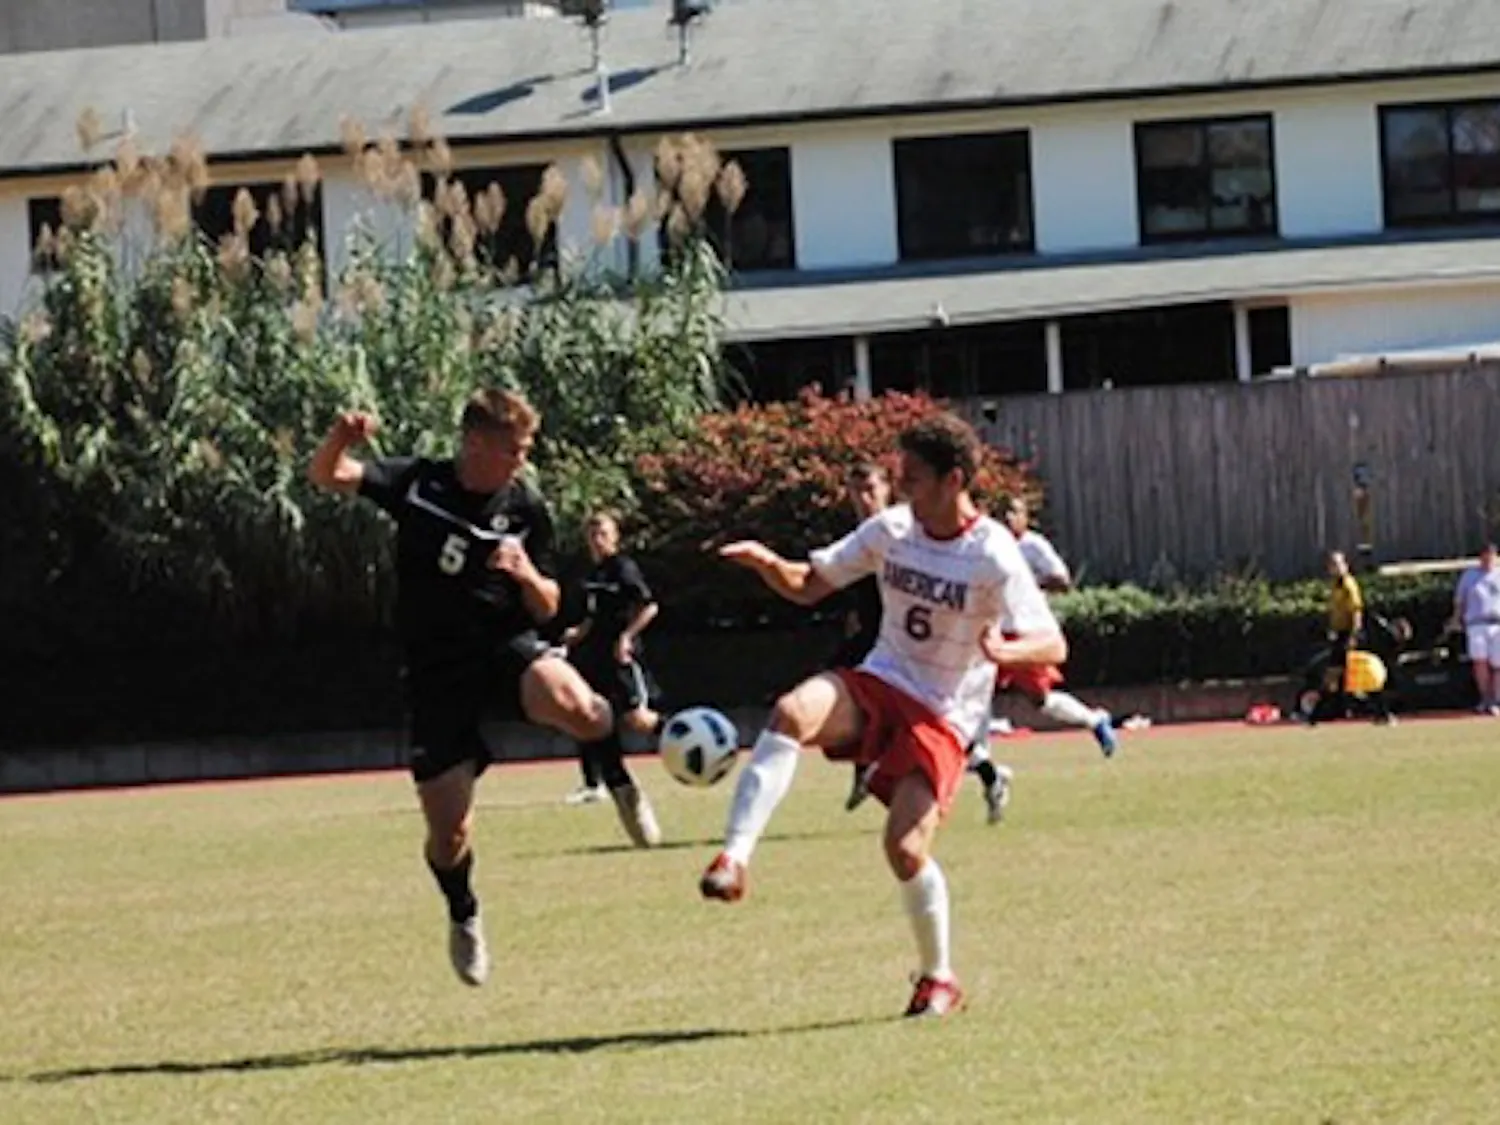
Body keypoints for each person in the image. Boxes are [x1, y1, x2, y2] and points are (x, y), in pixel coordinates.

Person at [701, 413, 1068, 1018]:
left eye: (915, 479)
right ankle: (734, 858)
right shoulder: (892, 530)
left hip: (945, 714)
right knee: (792, 712)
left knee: (903, 849)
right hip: (883, 677)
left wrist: (1007, 650)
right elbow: (809, 584)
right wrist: (769, 564)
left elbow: (1053, 645)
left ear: (954, 481)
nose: (903, 491)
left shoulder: (994, 554)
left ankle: (939, 978)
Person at [307, 389, 660, 989]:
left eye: (526, 449)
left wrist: (525, 574)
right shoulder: (419, 483)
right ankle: (464, 912)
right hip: (436, 673)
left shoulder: (525, 507)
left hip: (506, 648)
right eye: (513, 449)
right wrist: (342, 435)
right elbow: (327, 473)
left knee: (579, 706)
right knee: (450, 835)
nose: (522, 460)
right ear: (475, 443)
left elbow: (549, 606)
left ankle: (622, 786)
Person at [837, 464, 1014, 824]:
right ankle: (864, 770)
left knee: (935, 733)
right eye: (856, 490)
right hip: (880, 644)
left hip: (927, 651)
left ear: (888, 489)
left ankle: (989, 774)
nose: (864, 497)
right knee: (844, 695)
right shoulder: (862, 537)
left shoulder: (907, 534)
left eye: (871, 488)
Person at [986, 496, 1119, 758]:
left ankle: (1094, 720)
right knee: (971, 684)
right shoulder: (991, 545)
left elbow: (1062, 580)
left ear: (1025, 517)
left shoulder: (1033, 546)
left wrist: (1028, 583)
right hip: (995, 631)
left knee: (1040, 699)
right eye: (1001, 513)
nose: (1007, 518)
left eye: (1013, 512)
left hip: (1025, 633)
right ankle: (978, 757)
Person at [560, 510, 665, 803]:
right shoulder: (593, 573)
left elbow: (649, 606)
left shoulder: (623, 567)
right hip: (594, 657)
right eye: (592, 534)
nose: (597, 540)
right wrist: (578, 633)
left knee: (638, 720)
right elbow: (595, 614)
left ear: (615, 537)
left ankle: (693, 739)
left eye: (603, 533)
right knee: (587, 714)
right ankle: (594, 784)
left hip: (620, 657)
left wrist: (626, 637)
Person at [1305, 550, 1394, 725]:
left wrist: (1354, 635)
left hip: (1349, 634)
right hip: (1340, 634)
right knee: (1339, 676)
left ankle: (1316, 716)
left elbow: (1356, 611)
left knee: (1349, 675)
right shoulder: (1335, 586)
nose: (1335, 568)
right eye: (1332, 565)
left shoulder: (1348, 584)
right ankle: (1333, 712)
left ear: (1345, 565)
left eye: (1338, 564)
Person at [1453, 542, 1500, 716]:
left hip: (1498, 624)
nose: (1488, 559)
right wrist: (1457, 620)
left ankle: (1496, 700)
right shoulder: (1469, 576)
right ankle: (1485, 698)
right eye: (1485, 555)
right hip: (1476, 624)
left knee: (1498, 664)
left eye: (1492, 556)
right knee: (1480, 662)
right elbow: (1460, 601)